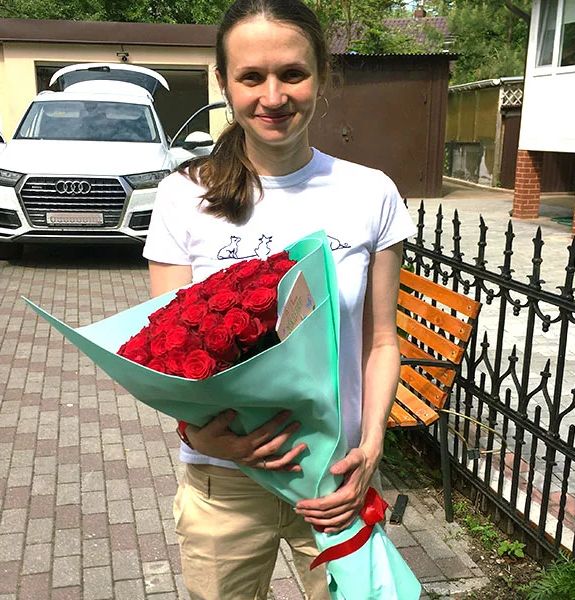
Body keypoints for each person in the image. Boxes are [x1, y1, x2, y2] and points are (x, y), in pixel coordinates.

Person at [143, 0, 416, 597]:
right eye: (251, 77)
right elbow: (166, 355)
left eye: (292, 73)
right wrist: (196, 434)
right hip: (225, 482)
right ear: (224, 83)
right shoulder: (183, 196)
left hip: (334, 479)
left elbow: (380, 342)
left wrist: (371, 447)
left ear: (321, 75)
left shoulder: (370, 193)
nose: (273, 96)